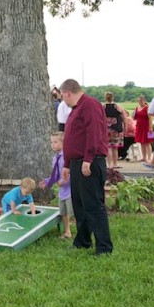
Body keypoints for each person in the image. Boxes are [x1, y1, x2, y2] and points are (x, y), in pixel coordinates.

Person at [59, 79, 112, 255]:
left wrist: (88, 159)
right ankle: (83, 241)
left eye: (62, 97)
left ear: (67, 92)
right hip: (76, 162)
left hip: (89, 162)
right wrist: (67, 164)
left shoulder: (90, 105)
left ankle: (104, 247)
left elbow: (94, 132)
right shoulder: (76, 109)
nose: (63, 101)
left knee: (93, 205)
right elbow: (72, 138)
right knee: (80, 205)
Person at [40, 132, 72, 238]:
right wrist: (48, 181)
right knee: (63, 212)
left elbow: (71, 172)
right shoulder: (55, 158)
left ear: (64, 143)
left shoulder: (67, 156)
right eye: (51, 142)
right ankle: (67, 231)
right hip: (62, 191)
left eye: (55, 142)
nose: (52, 144)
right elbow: (56, 173)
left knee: (74, 211)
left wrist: (64, 181)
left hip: (71, 190)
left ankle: (83, 231)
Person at [103, 92, 124, 168]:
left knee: (108, 147)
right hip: (116, 128)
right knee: (115, 147)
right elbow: (123, 116)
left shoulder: (103, 107)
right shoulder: (117, 106)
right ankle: (115, 163)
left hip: (106, 129)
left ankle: (109, 164)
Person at [133, 95, 154, 166]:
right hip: (139, 127)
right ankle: (144, 157)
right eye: (139, 100)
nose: (140, 102)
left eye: (141, 100)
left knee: (148, 142)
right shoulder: (136, 108)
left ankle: (149, 157)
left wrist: (151, 127)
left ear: (144, 101)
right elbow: (134, 117)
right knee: (141, 142)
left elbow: (150, 118)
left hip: (147, 127)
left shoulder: (147, 108)